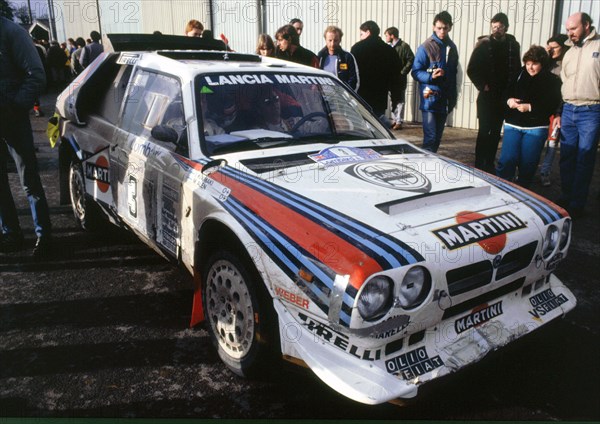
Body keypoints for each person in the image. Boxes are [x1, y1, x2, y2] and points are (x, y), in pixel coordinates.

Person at [0, 16, 52, 256]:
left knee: (28, 179)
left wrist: (14, 106)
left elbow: (36, 75)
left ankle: (44, 236)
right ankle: (11, 233)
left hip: (13, 117)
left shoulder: (12, 32)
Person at [496, 46, 562, 188]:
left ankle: (523, 192)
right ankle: (502, 189)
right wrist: (509, 101)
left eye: (535, 64)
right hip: (513, 125)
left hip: (536, 128)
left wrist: (530, 107)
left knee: (528, 164)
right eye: (527, 64)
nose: (530, 67)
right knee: (507, 160)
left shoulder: (552, 80)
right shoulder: (518, 74)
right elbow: (504, 94)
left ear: (542, 63)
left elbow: (552, 104)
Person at [556, 12, 600, 218]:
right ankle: (567, 196)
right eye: (568, 29)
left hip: (591, 111)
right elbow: (564, 82)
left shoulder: (598, 47)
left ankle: (577, 203)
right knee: (566, 157)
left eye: (573, 28)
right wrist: (559, 111)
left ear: (587, 25)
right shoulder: (570, 52)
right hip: (568, 110)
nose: (569, 33)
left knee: (584, 157)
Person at [467, 12, 521, 172]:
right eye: (494, 27)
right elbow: (472, 69)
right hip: (487, 96)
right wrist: (483, 85)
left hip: (503, 96)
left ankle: (489, 162)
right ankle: (479, 163)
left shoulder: (513, 45)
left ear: (506, 27)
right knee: (484, 130)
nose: (496, 30)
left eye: (500, 27)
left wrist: (513, 90)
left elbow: (517, 68)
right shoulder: (483, 44)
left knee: (496, 131)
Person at [411, 11, 459, 153]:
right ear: (433, 27)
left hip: (445, 99)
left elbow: (453, 74)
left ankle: (430, 163)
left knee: (437, 138)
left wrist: (453, 97)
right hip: (430, 99)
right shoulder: (425, 47)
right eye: (439, 28)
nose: (442, 31)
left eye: (445, 28)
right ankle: (425, 166)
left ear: (450, 27)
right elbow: (415, 71)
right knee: (430, 138)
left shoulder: (452, 47)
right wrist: (431, 77)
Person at [351, 20, 401, 120]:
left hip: (361, 95)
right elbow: (396, 77)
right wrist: (396, 99)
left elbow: (352, 74)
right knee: (378, 126)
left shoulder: (357, 48)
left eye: (362, 34)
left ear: (368, 32)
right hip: (380, 97)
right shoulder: (389, 51)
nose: (360, 37)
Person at [539, 34, 570, 186]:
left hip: (558, 108)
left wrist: (558, 110)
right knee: (536, 140)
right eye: (549, 47)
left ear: (564, 47)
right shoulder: (545, 62)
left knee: (552, 142)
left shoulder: (566, 64)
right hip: (541, 107)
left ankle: (545, 172)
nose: (551, 51)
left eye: (554, 47)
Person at [384, 26, 414, 130]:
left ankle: (399, 121)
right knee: (393, 99)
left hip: (400, 78)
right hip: (391, 78)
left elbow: (411, 59)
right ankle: (394, 120)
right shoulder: (389, 47)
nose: (386, 38)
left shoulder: (404, 46)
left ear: (392, 35)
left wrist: (403, 72)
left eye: (387, 35)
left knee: (400, 99)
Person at [317, 26, 360, 90]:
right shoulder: (320, 57)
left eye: (335, 40)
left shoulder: (347, 57)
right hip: (323, 96)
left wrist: (348, 96)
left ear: (340, 40)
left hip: (342, 97)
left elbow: (354, 80)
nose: (332, 44)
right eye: (330, 40)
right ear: (325, 40)